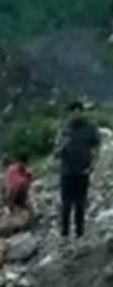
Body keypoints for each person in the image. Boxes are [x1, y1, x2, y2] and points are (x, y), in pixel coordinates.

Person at [56, 101, 102, 239]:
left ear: (82, 112)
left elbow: (97, 147)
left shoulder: (90, 128)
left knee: (80, 204)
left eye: (78, 111)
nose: (75, 115)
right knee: (66, 205)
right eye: (72, 112)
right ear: (69, 114)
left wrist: (93, 164)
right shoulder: (65, 130)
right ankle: (65, 234)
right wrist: (61, 147)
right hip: (67, 172)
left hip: (83, 171)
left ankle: (79, 234)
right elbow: (56, 152)